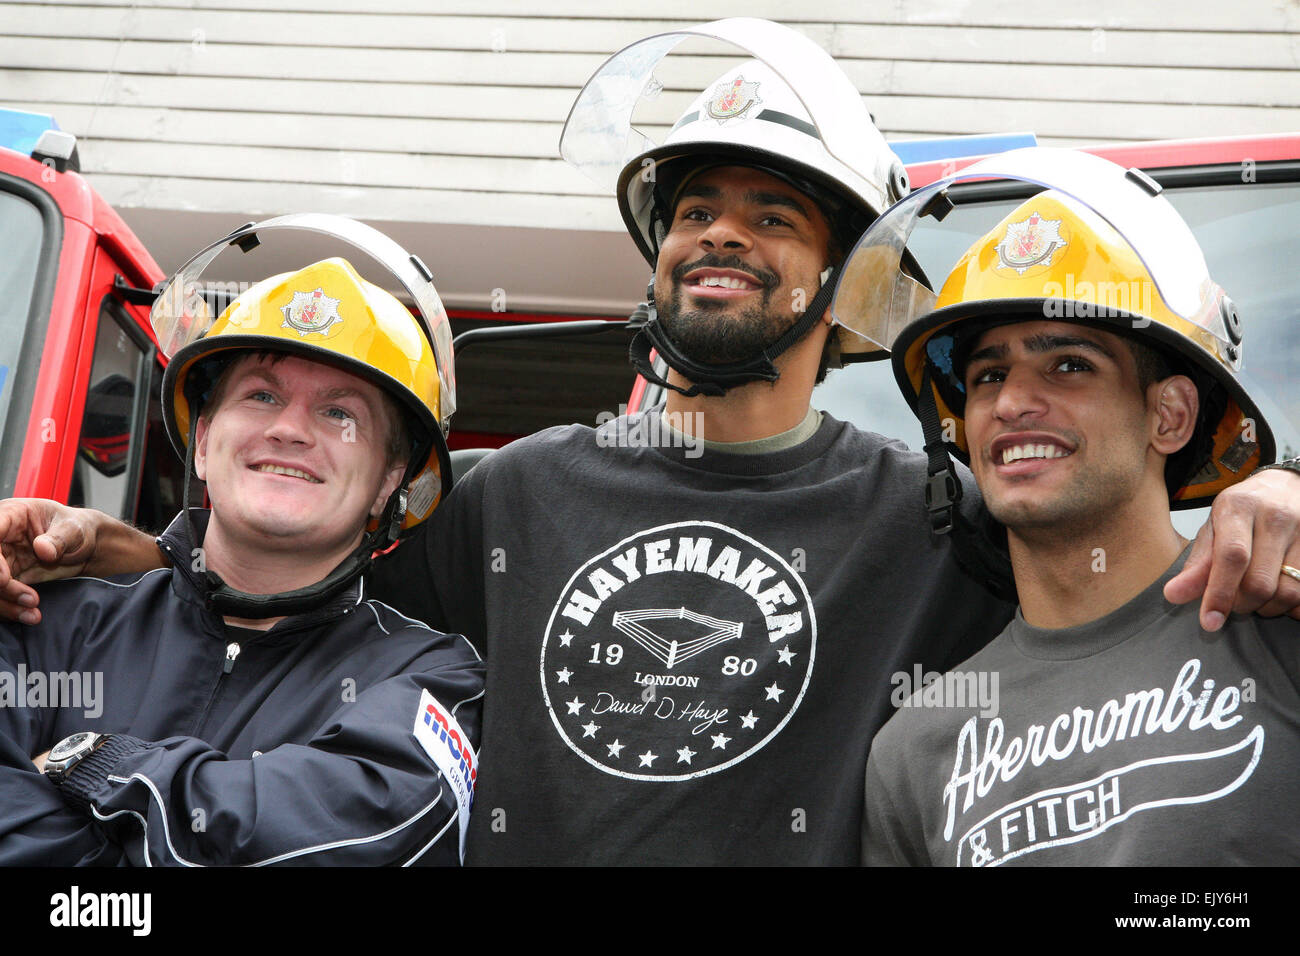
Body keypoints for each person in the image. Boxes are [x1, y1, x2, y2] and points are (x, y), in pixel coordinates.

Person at [2, 21, 1298, 865]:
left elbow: (1106, 567)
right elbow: (288, 563)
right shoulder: (513, 497)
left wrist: (1277, 495)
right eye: (694, 207)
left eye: (772, 211)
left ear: (843, 269)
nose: (720, 232)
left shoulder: (934, 513)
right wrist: (103, 544)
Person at [861, 172, 1299, 865]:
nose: (1011, 404)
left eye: (1068, 364)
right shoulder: (913, 747)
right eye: (987, 377)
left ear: (1171, 415)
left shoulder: (1280, 623)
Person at [0, 248, 484, 866]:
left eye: (339, 413)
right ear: (203, 441)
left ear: (390, 480)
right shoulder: (41, 619)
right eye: (260, 396)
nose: (290, 429)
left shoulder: (433, 679)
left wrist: (94, 763)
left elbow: (352, 839)